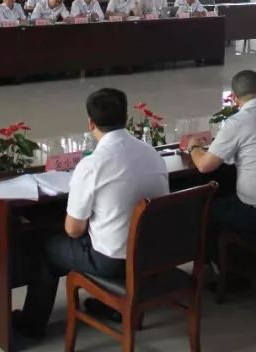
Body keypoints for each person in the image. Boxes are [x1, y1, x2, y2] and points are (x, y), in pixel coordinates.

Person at [14, 88, 168, 338]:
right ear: (126, 117)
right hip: (152, 253)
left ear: (90, 123)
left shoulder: (92, 164)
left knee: (49, 248)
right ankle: (113, 305)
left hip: (113, 261)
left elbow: (74, 230)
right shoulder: (152, 154)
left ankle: (32, 325)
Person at [189, 70, 256, 258]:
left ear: (234, 98)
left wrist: (193, 147)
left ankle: (217, 268)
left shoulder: (238, 122)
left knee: (205, 209)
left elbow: (204, 166)